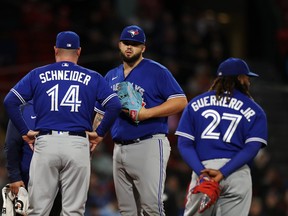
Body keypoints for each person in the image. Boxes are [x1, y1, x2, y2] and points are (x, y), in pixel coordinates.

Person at [3, 31, 122, 216]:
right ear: (79, 51)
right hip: (77, 143)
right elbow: (114, 105)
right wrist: (100, 133)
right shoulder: (92, 76)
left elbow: (10, 101)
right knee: (73, 211)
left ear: (55, 50)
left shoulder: (38, 74)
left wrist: (25, 131)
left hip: (46, 142)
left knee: (38, 211)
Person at [94, 25, 188, 215]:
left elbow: (181, 101)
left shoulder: (157, 71)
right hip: (119, 148)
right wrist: (95, 136)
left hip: (149, 144)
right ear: (119, 45)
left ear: (143, 47)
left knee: (152, 207)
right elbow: (100, 114)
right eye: (126, 43)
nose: (130, 47)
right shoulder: (111, 75)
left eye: (135, 44)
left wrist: (148, 113)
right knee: (127, 210)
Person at [175, 57, 268, 216]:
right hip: (236, 172)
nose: (249, 82)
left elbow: (184, 144)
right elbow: (252, 148)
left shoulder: (195, 104)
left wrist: (202, 174)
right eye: (247, 77)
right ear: (239, 78)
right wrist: (223, 172)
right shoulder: (255, 109)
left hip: (202, 170)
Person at [4, 100, 62, 215]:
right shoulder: (23, 110)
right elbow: (11, 144)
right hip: (29, 181)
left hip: (59, 182)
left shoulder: (64, 109)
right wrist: (15, 177)